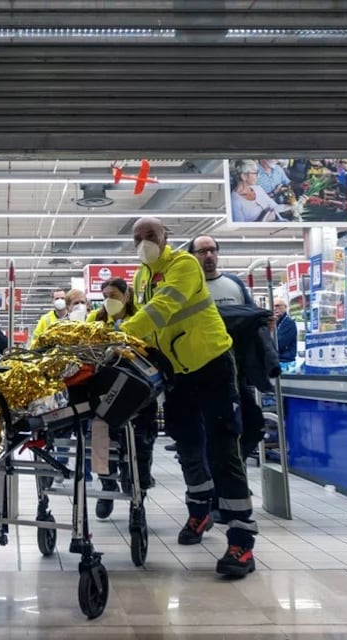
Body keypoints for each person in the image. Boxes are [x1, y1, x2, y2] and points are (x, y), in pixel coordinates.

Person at [122, 217, 258, 577]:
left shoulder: (184, 265)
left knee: (222, 448)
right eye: (137, 237)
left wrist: (118, 334)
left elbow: (161, 310)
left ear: (165, 237)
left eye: (150, 235)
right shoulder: (139, 277)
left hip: (212, 365)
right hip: (176, 373)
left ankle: (241, 540)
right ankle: (199, 512)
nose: (143, 242)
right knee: (186, 447)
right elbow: (145, 324)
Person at [188, 235, 278, 473]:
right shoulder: (188, 287)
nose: (208, 255)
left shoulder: (234, 284)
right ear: (192, 256)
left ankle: (229, 474)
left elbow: (251, 317)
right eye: (202, 251)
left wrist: (263, 324)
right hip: (204, 371)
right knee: (215, 431)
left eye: (212, 250)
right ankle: (222, 483)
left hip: (238, 371)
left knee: (254, 426)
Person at [86, 277, 155, 519]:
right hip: (105, 390)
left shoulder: (142, 318)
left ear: (126, 295)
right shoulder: (95, 320)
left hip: (139, 391)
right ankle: (107, 486)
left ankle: (138, 497)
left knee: (140, 444)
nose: (108, 300)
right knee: (98, 436)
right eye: (105, 296)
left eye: (113, 295)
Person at [274, 299, 298, 373]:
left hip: (286, 363)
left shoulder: (289, 323)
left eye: (278, 306)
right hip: (277, 361)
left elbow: (280, 343)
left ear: (285, 307)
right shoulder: (276, 323)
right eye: (274, 306)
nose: (276, 309)